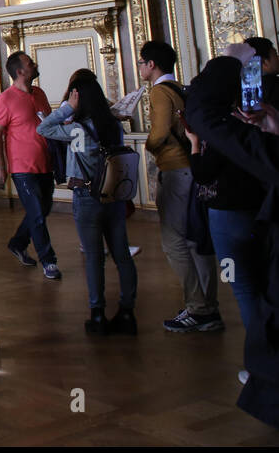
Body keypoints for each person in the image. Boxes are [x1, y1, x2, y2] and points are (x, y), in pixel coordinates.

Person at [186, 43, 279, 422]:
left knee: (239, 283)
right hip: (254, 210)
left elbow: (204, 164)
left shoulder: (230, 128)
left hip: (228, 214)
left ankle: (261, 368)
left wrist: (228, 59)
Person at [38, 76, 137, 335]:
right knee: (122, 255)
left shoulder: (78, 129)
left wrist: (67, 108)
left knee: (94, 258)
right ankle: (127, 312)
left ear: (77, 97)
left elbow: (44, 128)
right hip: (113, 196)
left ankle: (97, 315)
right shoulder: (114, 126)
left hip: (86, 196)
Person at [139, 40, 221, 333]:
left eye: (141, 62)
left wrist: (148, 146)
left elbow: (159, 132)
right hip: (192, 166)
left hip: (175, 169)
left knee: (173, 241)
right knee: (196, 238)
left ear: (151, 65)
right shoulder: (181, 89)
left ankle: (198, 307)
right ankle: (208, 306)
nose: (139, 68)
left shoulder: (160, 92)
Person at [0, 51, 62, 280]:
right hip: (22, 167)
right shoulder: (5, 100)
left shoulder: (39, 93)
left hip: (45, 163)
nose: (34, 65)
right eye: (30, 63)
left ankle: (18, 242)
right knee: (38, 214)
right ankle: (48, 261)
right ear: (20, 71)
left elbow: (47, 122)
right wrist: (0, 165)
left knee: (42, 209)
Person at [245, 36, 279, 106]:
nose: (278, 58)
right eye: (275, 54)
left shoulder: (246, 93)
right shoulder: (275, 85)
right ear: (264, 62)